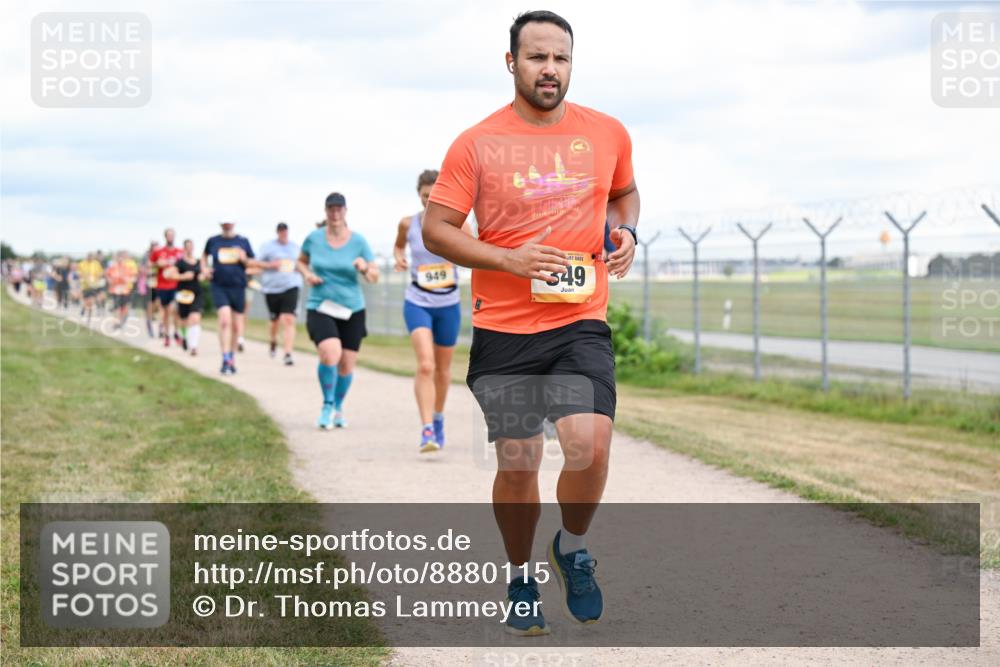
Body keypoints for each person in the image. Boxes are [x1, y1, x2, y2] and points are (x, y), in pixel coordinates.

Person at [421, 11, 638, 635]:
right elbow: (438, 230)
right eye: (538, 57)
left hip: (579, 322)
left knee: (589, 446)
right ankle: (520, 574)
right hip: (505, 331)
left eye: (561, 59)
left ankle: (571, 548)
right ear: (511, 62)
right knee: (518, 461)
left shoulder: (607, 132)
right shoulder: (476, 142)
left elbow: (625, 193)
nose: (551, 69)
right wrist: (508, 259)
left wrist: (625, 231)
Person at [393, 169, 467, 454]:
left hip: (448, 304)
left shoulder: (458, 223)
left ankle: (437, 418)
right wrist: (399, 260)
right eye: (425, 196)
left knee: (444, 370)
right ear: (419, 195)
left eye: (435, 196)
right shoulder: (407, 224)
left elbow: (475, 250)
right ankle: (426, 430)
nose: (429, 201)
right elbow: (399, 249)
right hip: (418, 300)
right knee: (426, 364)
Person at [298, 192, 379, 429]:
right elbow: (300, 261)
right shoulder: (314, 238)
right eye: (330, 209)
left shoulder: (359, 241)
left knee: (346, 365)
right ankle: (327, 404)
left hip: (352, 309)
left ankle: (337, 407)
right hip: (320, 305)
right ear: (325, 211)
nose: (335, 213)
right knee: (330, 353)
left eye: (339, 209)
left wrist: (364, 268)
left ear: (345, 211)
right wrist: (307, 274)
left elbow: (374, 276)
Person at [203, 221, 256, 375]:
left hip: (238, 286)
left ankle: (231, 356)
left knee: (235, 326)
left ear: (233, 224)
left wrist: (243, 258)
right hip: (219, 285)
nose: (227, 225)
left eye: (229, 223)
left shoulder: (243, 241)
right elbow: (204, 256)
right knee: (225, 320)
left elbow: (252, 262)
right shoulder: (213, 241)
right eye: (224, 223)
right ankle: (225, 357)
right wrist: (205, 269)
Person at [259, 222, 303, 366]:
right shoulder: (268, 247)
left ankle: (288, 353)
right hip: (272, 288)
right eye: (281, 231)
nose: (284, 233)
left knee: (288, 319)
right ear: (277, 232)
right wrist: (271, 265)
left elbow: (302, 263)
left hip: (291, 285)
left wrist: (300, 268)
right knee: (274, 321)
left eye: (285, 231)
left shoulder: (295, 247)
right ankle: (273, 340)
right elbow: (256, 263)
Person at [165, 239, 205, 356]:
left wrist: (204, 275)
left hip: (196, 293)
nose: (189, 248)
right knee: (184, 320)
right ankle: (184, 337)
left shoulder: (198, 262)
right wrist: (183, 276)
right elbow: (167, 274)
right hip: (183, 294)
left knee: (195, 318)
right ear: (184, 248)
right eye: (187, 246)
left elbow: (204, 273)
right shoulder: (180, 263)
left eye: (191, 246)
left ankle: (194, 346)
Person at [150, 229, 185, 347]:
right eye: (168, 235)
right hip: (162, 285)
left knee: (173, 309)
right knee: (165, 312)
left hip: (175, 285)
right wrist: (157, 264)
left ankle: (176, 332)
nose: (170, 237)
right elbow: (150, 265)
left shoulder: (180, 251)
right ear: (165, 236)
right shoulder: (158, 251)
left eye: (172, 235)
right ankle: (166, 335)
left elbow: (185, 265)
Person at [105, 251, 138, 328]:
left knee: (124, 307)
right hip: (115, 290)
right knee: (116, 306)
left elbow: (133, 277)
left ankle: (121, 320)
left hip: (124, 290)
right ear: (117, 258)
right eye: (119, 258)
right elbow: (107, 275)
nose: (120, 259)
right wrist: (110, 280)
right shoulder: (113, 267)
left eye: (122, 258)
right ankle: (116, 322)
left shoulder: (127, 268)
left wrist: (129, 280)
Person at [76, 253, 104, 324]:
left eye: (92, 258)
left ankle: (89, 318)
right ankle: (84, 308)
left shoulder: (96, 264)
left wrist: (98, 277)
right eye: (89, 257)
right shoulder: (82, 264)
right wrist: (83, 277)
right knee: (86, 302)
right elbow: (78, 273)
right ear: (87, 257)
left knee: (91, 302)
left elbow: (101, 272)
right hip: (85, 286)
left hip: (93, 286)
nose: (91, 259)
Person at [141, 240, 161, 338]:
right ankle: (150, 329)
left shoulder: (161, 256)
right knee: (149, 308)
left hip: (160, 284)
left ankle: (161, 328)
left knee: (159, 305)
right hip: (149, 285)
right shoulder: (146, 257)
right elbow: (142, 269)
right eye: (155, 247)